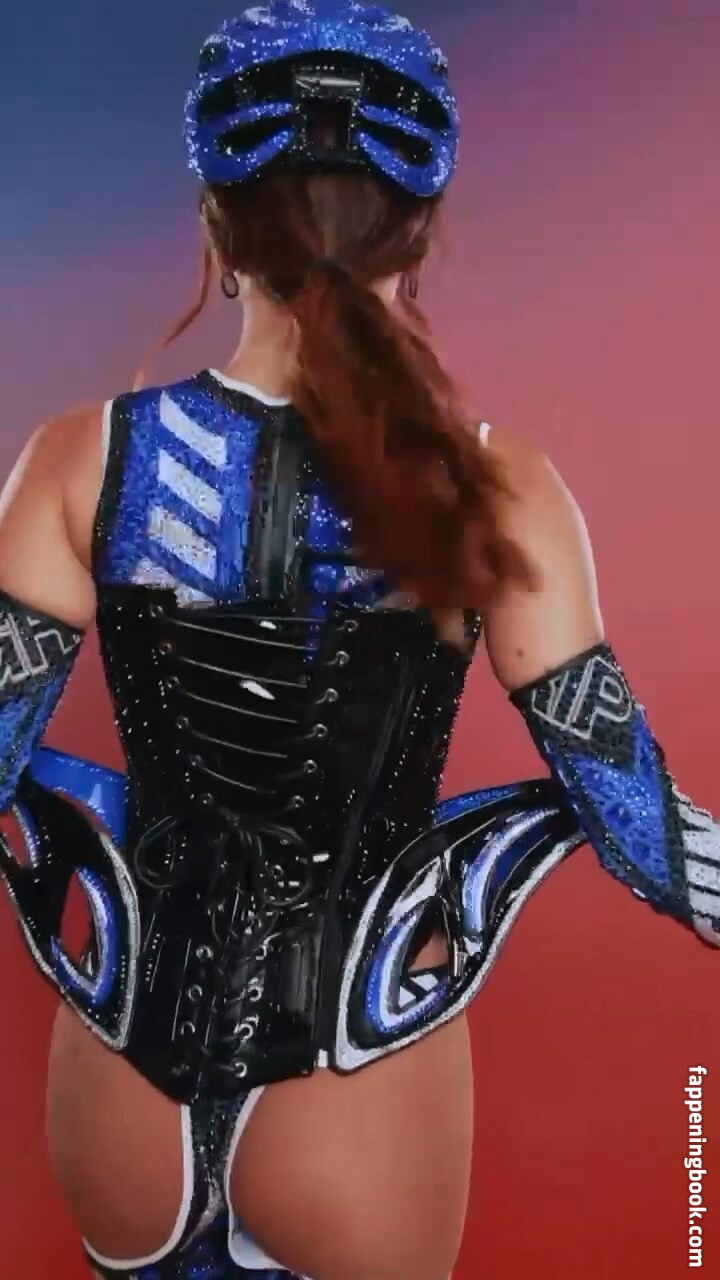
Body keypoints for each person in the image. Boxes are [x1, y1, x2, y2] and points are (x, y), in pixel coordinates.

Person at [0, 4, 718, 1279]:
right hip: (359, 1083)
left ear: (216, 228)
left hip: (121, 1076)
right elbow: (636, 819)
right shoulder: (490, 487)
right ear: (419, 235)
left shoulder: (79, 459)